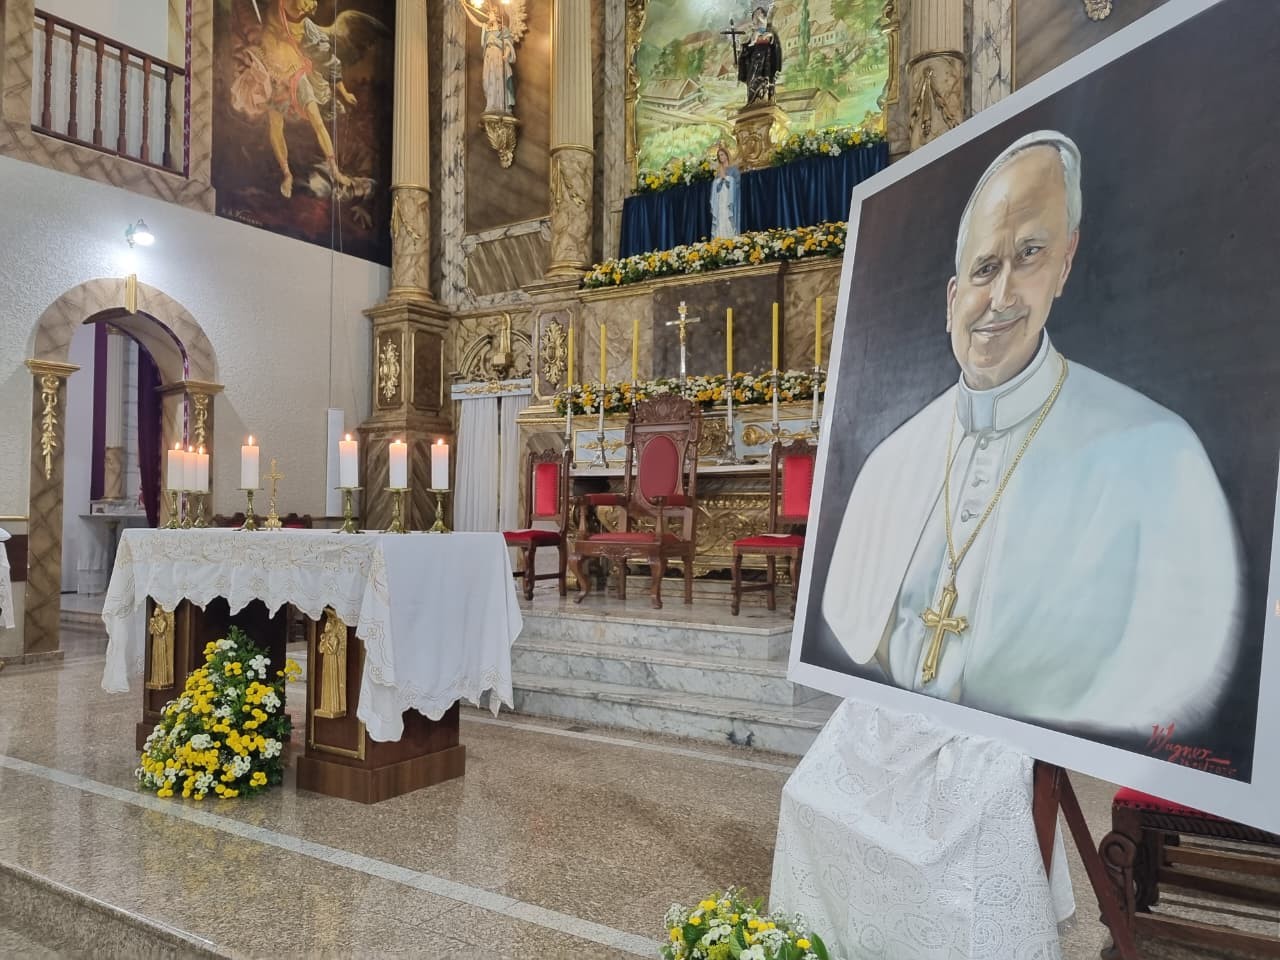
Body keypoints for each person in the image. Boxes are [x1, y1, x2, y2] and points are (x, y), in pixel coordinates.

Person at [821, 130, 1243, 741]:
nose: (999, 297)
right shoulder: (890, 463)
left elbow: (1178, 683)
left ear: (1065, 264)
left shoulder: (1159, 454)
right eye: (985, 268)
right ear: (951, 298)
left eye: (1029, 256)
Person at [736, 5, 782, 106]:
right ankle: (752, 103)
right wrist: (742, 48)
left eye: (760, 16)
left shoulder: (770, 32)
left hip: (767, 61)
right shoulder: (752, 34)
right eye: (755, 18)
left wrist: (770, 37)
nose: (757, 19)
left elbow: (776, 48)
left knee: (766, 83)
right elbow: (746, 51)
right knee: (752, 82)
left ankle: (766, 101)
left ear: (765, 18)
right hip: (754, 64)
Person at [481, 8, 517, 115]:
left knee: (498, 79)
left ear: (496, 16)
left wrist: (506, 54)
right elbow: (475, 22)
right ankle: (490, 104)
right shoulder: (487, 30)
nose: (489, 17)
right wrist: (465, 7)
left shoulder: (503, 29)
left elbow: (508, 42)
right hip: (488, 58)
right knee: (487, 79)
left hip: (498, 57)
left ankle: (500, 105)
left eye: (490, 15)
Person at [710, 145, 741, 238]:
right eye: (719, 156)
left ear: (727, 155)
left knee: (728, 216)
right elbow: (716, 188)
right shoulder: (719, 171)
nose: (721, 157)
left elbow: (737, 184)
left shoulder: (734, 170)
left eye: (722, 155)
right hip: (721, 199)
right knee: (721, 217)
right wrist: (719, 181)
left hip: (729, 199)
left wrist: (727, 179)